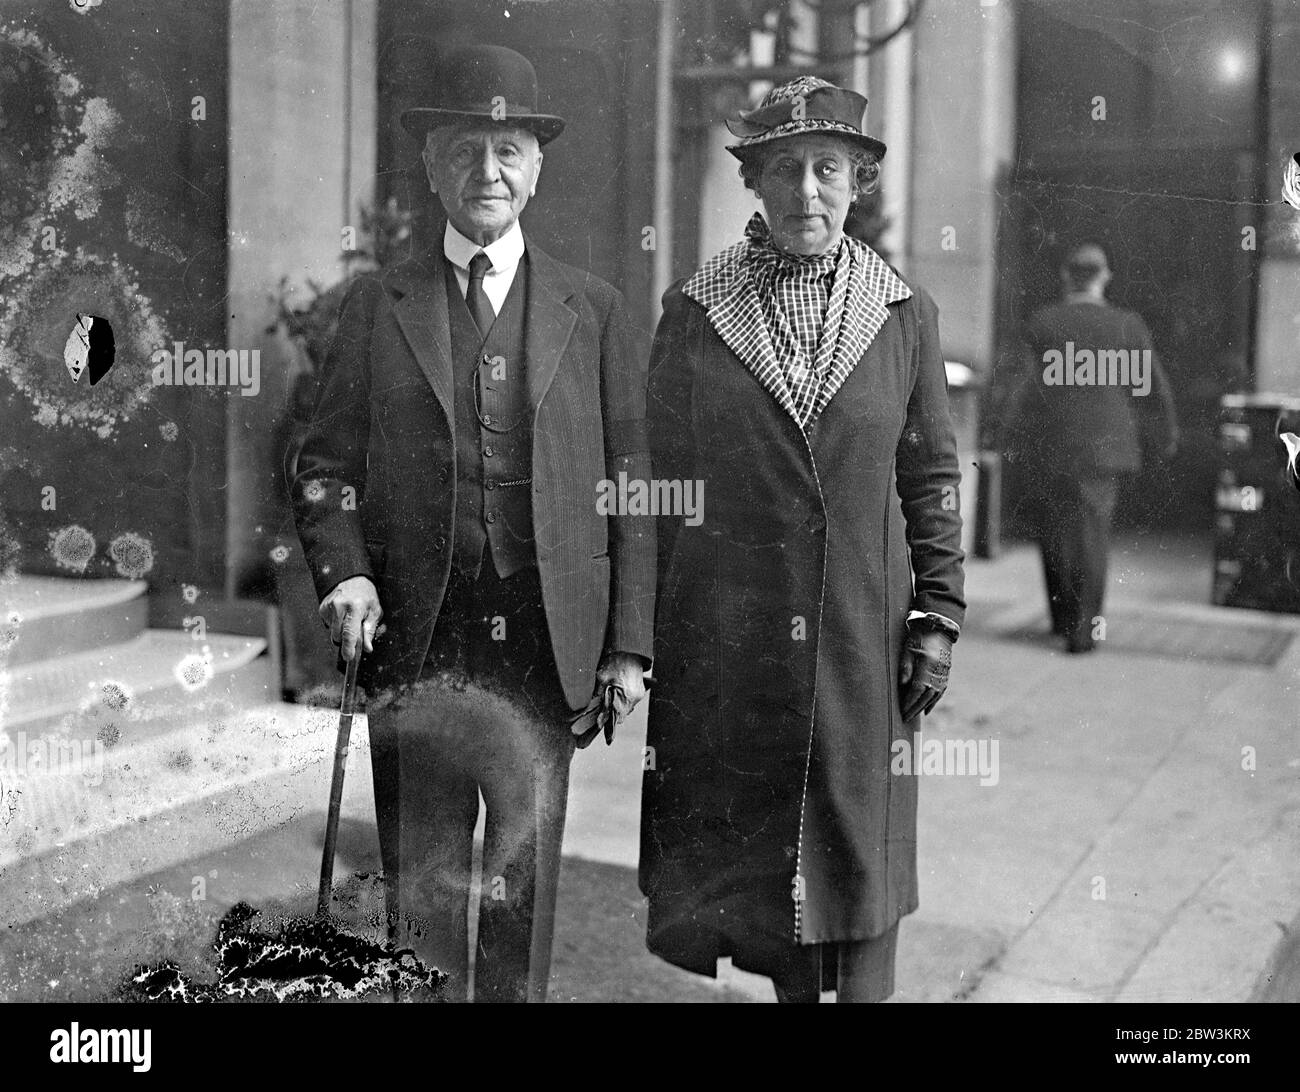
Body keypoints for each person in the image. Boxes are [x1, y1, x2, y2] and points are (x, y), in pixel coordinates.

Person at [287, 44, 654, 1002]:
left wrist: (629, 646)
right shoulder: (375, 305)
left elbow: (632, 483)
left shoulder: (598, 308)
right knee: (422, 882)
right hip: (418, 636)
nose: (486, 172)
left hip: (546, 639)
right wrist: (345, 572)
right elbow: (323, 464)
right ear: (430, 165)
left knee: (522, 883)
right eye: (464, 149)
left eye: (508, 150)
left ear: (537, 166)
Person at [638, 76, 966, 1003]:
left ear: (859, 181)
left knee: (856, 880)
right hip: (733, 647)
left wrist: (937, 613)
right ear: (754, 181)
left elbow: (932, 478)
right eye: (785, 169)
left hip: (861, 642)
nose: (807, 192)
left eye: (829, 169)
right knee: (766, 887)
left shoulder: (903, 315)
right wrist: (642, 634)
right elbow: (659, 485)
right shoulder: (697, 313)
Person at [1003, 241, 1179, 653]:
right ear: (1104, 277)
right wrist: (1166, 433)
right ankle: (1083, 632)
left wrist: (1008, 434)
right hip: (1106, 448)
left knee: (1053, 530)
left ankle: (1060, 619)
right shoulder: (1127, 325)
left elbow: (1022, 388)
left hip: (1050, 444)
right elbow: (1152, 386)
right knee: (1091, 535)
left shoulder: (1044, 323)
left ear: (1067, 276)